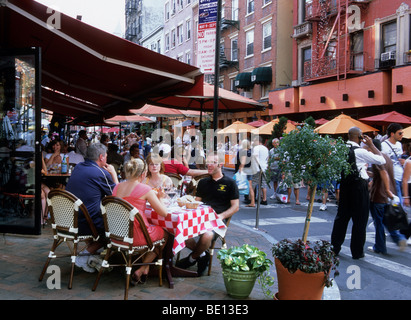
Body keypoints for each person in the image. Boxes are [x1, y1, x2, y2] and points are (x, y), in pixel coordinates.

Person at [176, 152, 239, 275]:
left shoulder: (230, 183)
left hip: (217, 219)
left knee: (207, 235)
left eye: (213, 162)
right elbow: (197, 202)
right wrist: (186, 202)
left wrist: (221, 216)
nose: (209, 165)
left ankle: (191, 259)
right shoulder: (203, 182)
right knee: (178, 228)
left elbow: (235, 207)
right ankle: (202, 254)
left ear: (220, 164)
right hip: (200, 217)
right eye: (208, 162)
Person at [331, 127, 386, 259]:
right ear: (360, 137)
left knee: (341, 218)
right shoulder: (360, 151)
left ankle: (335, 248)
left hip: (345, 185)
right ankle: (357, 251)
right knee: (360, 220)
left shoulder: (338, 149)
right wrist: (371, 145)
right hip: (359, 187)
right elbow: (381, 160)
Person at [113, 158, 169, 284]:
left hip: (117, 234)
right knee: (165, 233)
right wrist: (159, 198)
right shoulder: (145, 189)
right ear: (143, 174)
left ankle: (146, 268)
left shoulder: (116, 187)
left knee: (149, 228)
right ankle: (142, 268)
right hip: (136, 235)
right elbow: (164, 213)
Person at [66, 143, 119, 272]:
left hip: (67, 219)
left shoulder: (78, 167)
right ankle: (84, 256)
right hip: (85, 222)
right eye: (106, 156)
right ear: (101, 157)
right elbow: (117, 196)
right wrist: (113, 173)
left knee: (102, 217)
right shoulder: (100, 172)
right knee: (117, 227)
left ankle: (93, 253)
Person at [368, 139, 399, 254]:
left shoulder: (377, 159)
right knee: (385, 221)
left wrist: (386, 190)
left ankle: (380, 246)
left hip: (379, 195)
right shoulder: (387, 157)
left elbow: (383, 174)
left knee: (379, 223)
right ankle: (398, 239)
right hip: (388, 195)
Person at [381, 123, 405, 201]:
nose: (402, 135)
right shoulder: (383, 145)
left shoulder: (399, 144)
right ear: (392, 134)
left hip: (401, 176)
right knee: (398, 202)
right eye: (400, 133)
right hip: (392, 176)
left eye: (402, 133)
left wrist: (403, 162)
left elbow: (400, 158)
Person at [251, 136, 269, 206]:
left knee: (253, 183)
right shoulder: (265, 148)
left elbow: (254, 157)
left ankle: (251, 199)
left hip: (257, 168)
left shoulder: (256, 148)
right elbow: (267, 158)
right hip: (264, 167)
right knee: (263, 184)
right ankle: (264, 199)